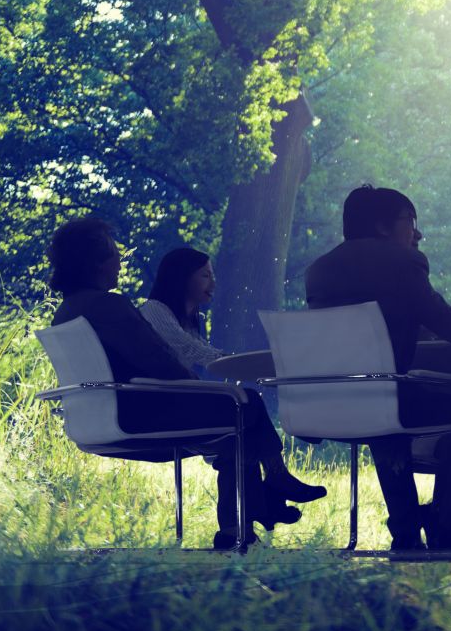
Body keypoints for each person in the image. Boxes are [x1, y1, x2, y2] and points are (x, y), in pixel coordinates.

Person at [47, 217, 314, 549]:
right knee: (247, 403)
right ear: (97, 263)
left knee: (235, 434)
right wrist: (195, 385)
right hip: (140, 416)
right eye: (115, 254)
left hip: (100, 420)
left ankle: (237, 531)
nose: (120, 261)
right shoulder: (108, 306)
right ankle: (269, 489)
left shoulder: (66, 311)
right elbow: (158, 362)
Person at [304, 185, 451, 551]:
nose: (417, 233)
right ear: (383, 226)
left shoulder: (319, 270)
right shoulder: (402, 261)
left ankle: (408, 528)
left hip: (331, 397)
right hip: (386, 395)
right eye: (410, 222)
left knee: (385, 411)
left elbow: (375, 319)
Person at [142, 245, 327, 507]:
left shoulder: (192, 319)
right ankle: (276, 479)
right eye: (205, 275)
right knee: (247, 400)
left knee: (242, 432)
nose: (213, 282)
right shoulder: (155, 310)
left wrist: (229, 361)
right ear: (181, 277)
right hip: (160, 407)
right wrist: (229, 360)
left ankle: (256, 513)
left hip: (180, 402)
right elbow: (188, 347)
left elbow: (197, 352)